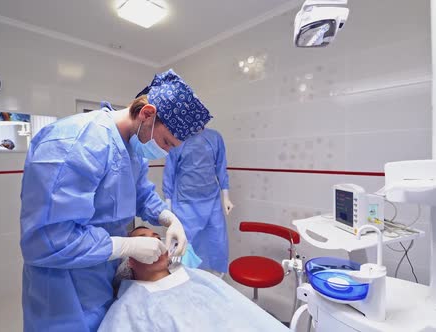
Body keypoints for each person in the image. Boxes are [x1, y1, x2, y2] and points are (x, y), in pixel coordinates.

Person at [19, 69, 212, 332]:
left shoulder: (132, 149)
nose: (165, 152)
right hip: (63, 291)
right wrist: (125, 247)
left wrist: (169, 218)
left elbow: (141, 193)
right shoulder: (75, 143)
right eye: (166, 142)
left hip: (100, 276)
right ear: (147, 114)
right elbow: (45, 241)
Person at [98, 226, 290, 332]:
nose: (155, 244)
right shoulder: (129, 304)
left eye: (157, 238)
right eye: (144, 240)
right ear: (130, 260)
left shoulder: (199, 277)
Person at [163, 128, 233, 273]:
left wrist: (226, 197)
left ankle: (215, 277)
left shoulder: (214, 137)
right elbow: (169, 172)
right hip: (184, 203)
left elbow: (220, 167)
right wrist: (167, 206)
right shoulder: (176, 138)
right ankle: (182, 278)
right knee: (184, 243)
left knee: (217, 241)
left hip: (211, 200)